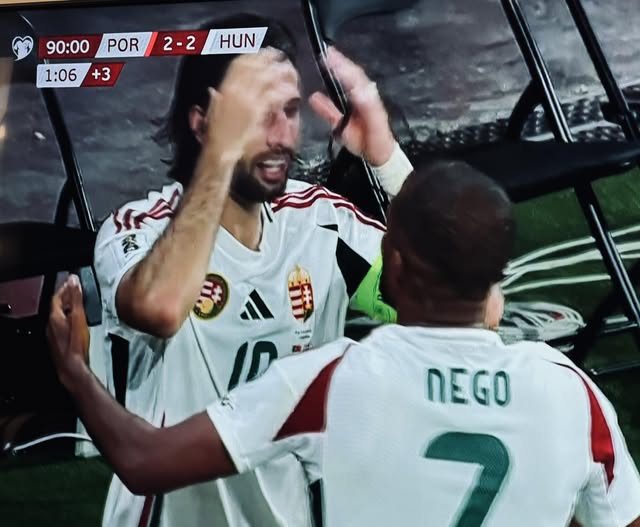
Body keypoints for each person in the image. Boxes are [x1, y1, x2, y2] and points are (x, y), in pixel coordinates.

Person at [50, 160, 640, 526]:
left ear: (394, 266)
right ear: (497, 278)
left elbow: (145, 462)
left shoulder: (335, 381)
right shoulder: (571, 394)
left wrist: (75, 370)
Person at [92, 12, 433, 527]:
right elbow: (159, 309)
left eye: (289, 111)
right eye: (255, 115)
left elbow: (460, 306)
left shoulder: (321, 224)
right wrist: (219, 156)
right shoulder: (138, 229)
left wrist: (385, 158)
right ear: (201, 122)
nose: (281, 135)